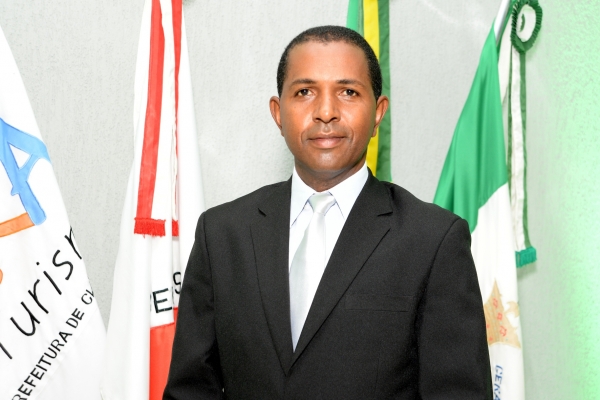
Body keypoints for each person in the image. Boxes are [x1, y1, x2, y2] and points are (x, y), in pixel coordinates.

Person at [164, 25, 491, 399]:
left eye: (348, 92)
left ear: (378, 113)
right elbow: (191, 391)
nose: (325, 112)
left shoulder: (433, 240)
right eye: (305, 92)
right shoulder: (222, 234)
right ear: (278, 113)